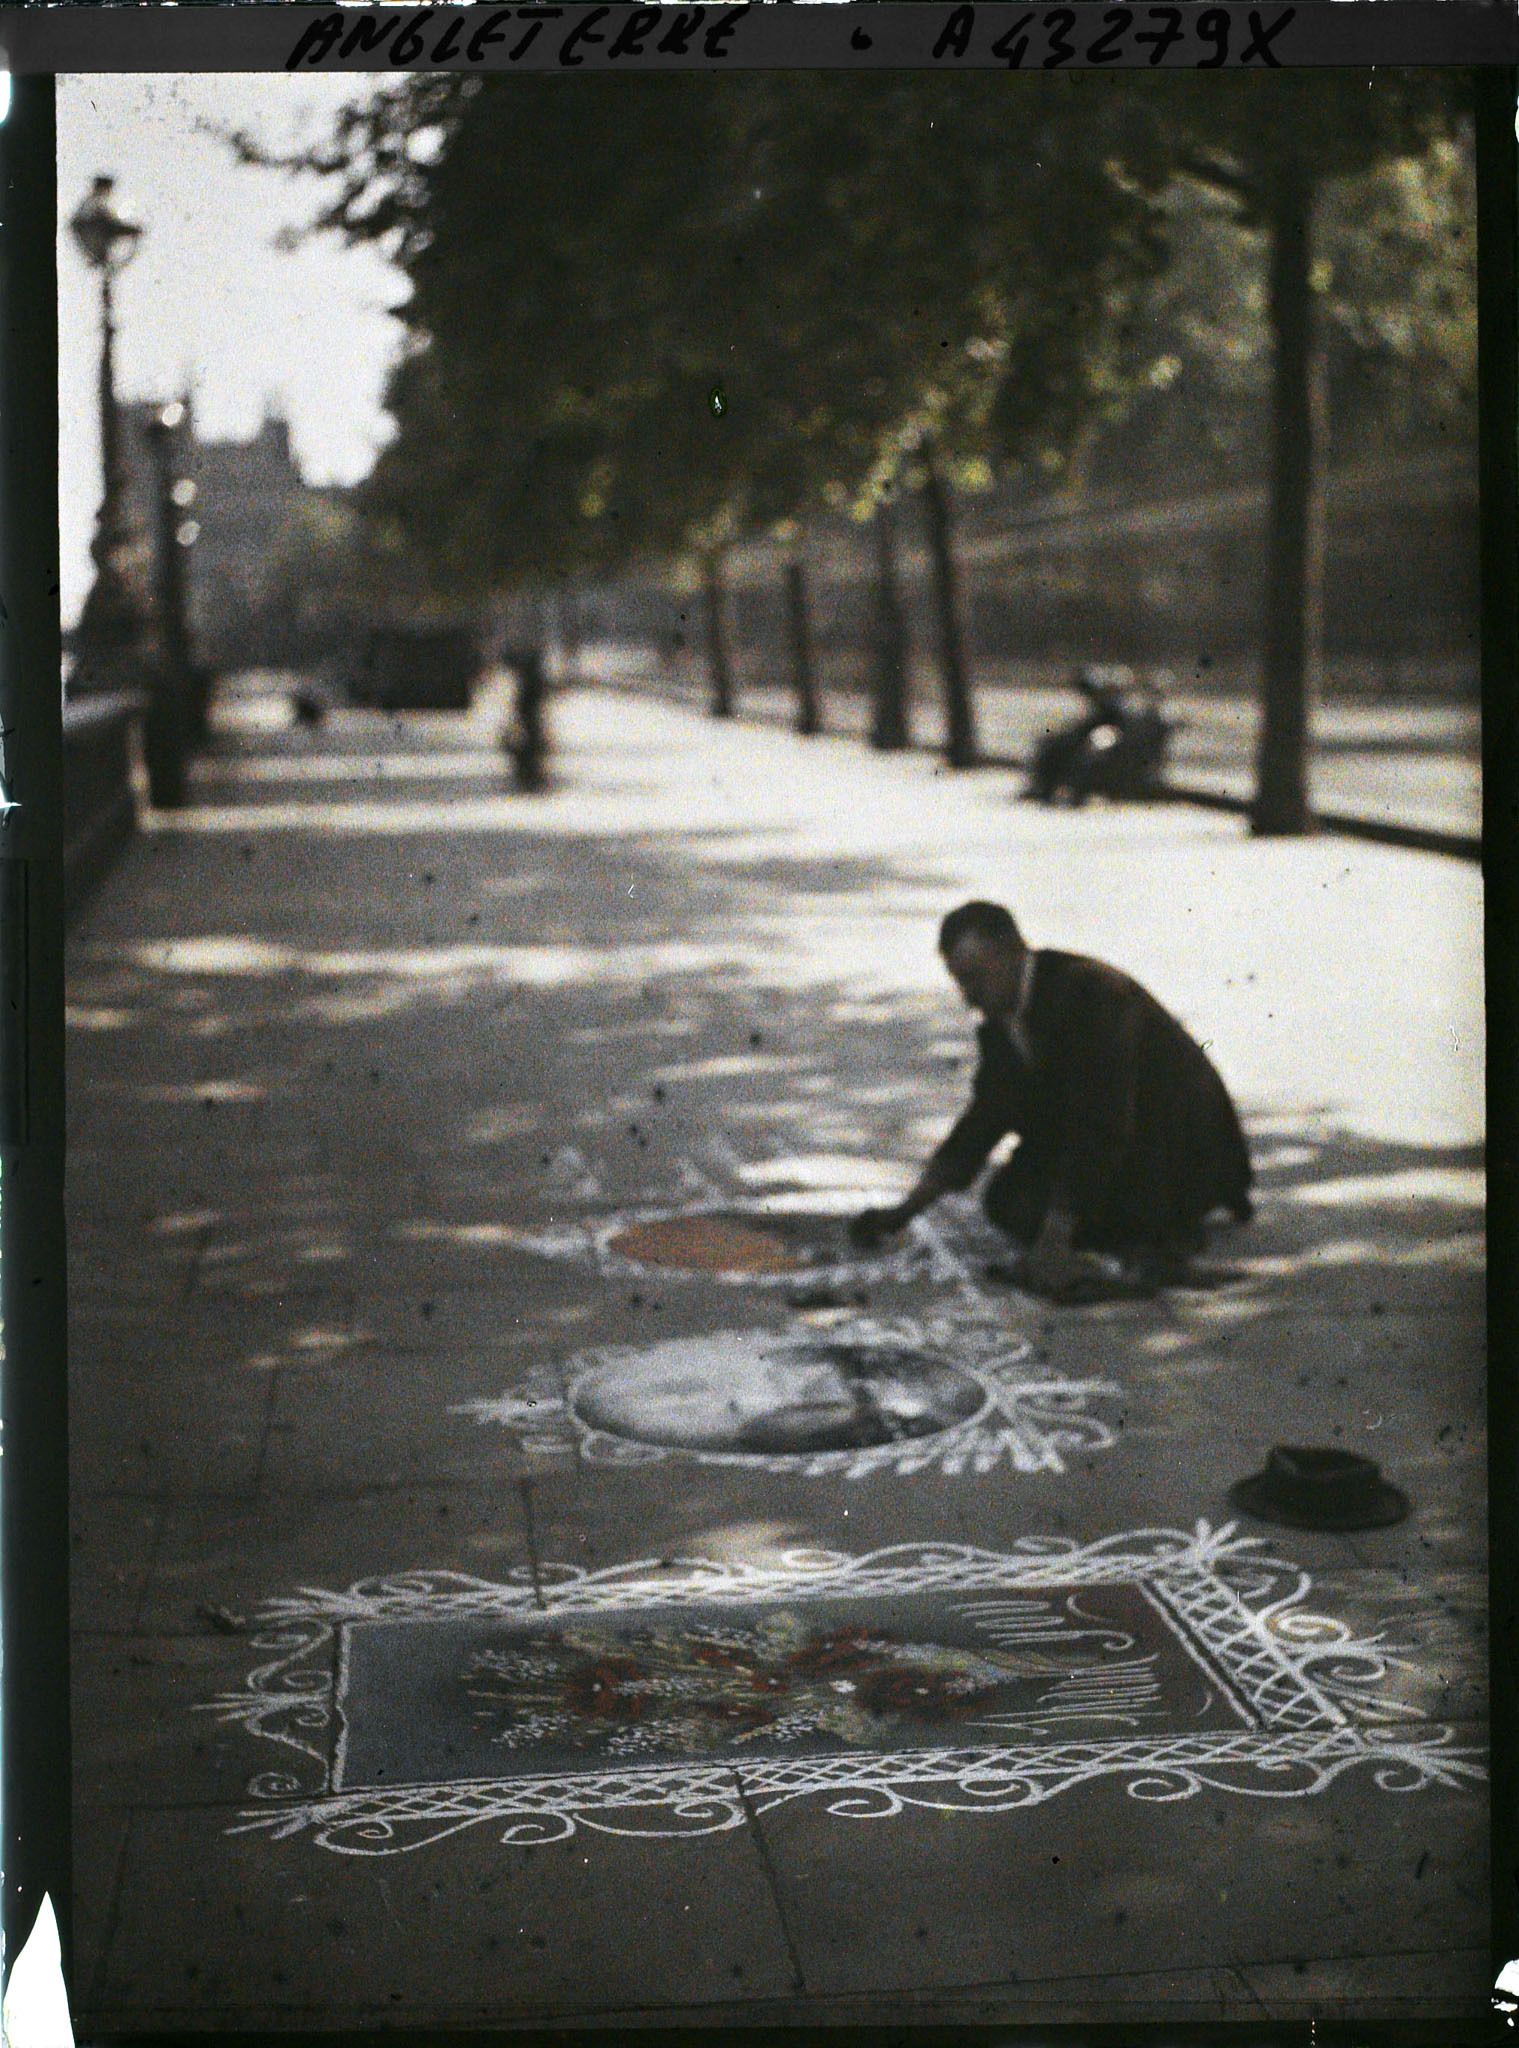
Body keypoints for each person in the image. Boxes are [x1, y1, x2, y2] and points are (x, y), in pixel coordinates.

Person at [850, 901, 1253, 1299]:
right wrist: (906, 1211)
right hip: (1117, 1138)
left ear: (1011, 952)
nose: (968, 997)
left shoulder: (1092, 994)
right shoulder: (1005, 1015)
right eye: (960, 982)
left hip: (1176, 1150)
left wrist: (1056, 1238)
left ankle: (1157, 1234)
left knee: (1054, 1209)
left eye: (975, 978)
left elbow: (1102, 1123)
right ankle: (1114, 1231)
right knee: (1007, 1199)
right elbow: (986, 1117)